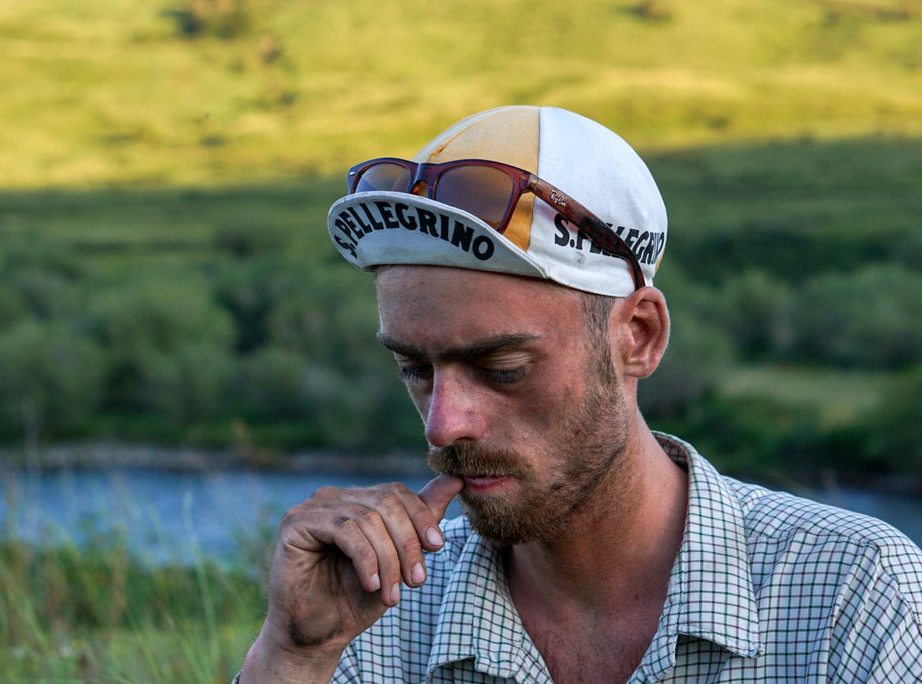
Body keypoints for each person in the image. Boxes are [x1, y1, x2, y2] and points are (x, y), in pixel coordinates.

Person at [236, 106, 922, 682]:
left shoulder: (852, 596)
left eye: (502, 367)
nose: (444, 426)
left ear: (639, 337)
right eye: (415, 368)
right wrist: (292, 655)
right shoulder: (376, 617)